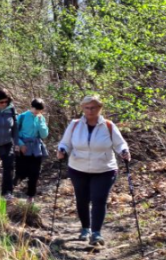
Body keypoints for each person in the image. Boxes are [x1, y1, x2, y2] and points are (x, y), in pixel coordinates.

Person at [57, 95, 129, 246]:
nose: (90, 111)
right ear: (82, 108)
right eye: (87, 108)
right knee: (82, 199)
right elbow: (65, 143)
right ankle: (85, 228)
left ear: (100, 108)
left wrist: (124, 152)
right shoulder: (75, 125)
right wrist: (62, 150)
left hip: (104, 169)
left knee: (98, 199)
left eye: (93, 108)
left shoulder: (108, 126)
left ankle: (96, 233)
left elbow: (120, 144)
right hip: (78, 168)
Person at [15, 99, 49, 204]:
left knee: (35, 173)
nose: (36, 111)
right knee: (21, 173)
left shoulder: (41, 118)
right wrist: (20, 145)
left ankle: (30, 196)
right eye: (35, 109)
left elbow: (44, 135)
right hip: (23, 147)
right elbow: (14, 133)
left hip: (36, 148)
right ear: (31, 106)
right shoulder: (22, 117)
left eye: (39, 110)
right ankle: (9, 190)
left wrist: (40, 123)